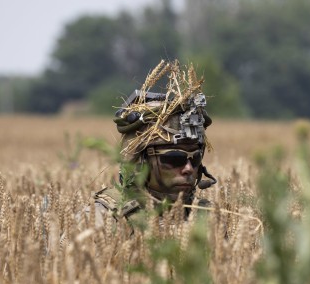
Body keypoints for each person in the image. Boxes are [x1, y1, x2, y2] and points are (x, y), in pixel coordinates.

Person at [92, 60, 217, 223]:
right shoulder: (104, 218)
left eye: (195, 159)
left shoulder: (208, 218)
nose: (188, 169)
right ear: (139, 162)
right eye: (174, 158)